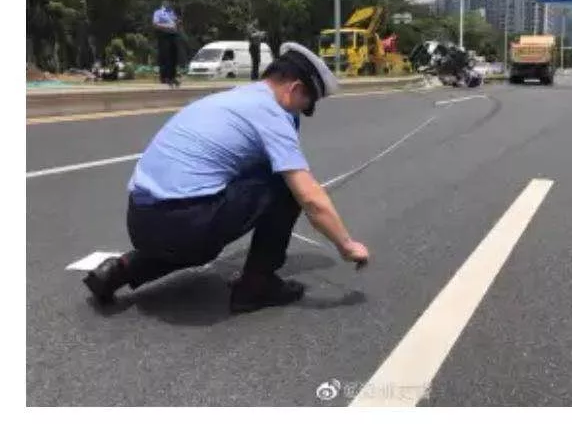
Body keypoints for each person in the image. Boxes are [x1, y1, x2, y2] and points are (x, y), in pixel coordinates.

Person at [82, 43, 370, 314]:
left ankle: (121, 270)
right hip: (186, 226)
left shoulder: (230, 98)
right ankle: (256, 286)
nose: (300, 114)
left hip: (140, 219)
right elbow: (310, 198)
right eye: (305, 105)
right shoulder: (272, 113)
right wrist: (346, 245)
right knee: (284, 186)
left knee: (186, 231)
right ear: (294, 89)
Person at [153, 0, 180, 86]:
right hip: (164, 36)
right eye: (167, 1)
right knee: (165, 56)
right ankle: (164, 77)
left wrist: (177, 23)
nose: (169, 2)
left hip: (173, 35)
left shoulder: (172, 12)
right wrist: (167, 26)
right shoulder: (158, 12)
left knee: (173, 56)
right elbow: (156, 24)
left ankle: (172, 76)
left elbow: (175, 22)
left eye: (170, 1)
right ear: (163, 2)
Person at [247, 17, 265, 81]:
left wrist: (262, 35)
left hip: (257, 46)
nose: (257, 22)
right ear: (253, 20)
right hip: (253, 46)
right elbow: (251, 35)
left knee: (258, 61)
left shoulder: (256, 28)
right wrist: (259, 33)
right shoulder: (250, 27)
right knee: (255, 61)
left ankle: (256, 75)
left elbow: (258, 37)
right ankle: (253, 76)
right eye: (256, 20)